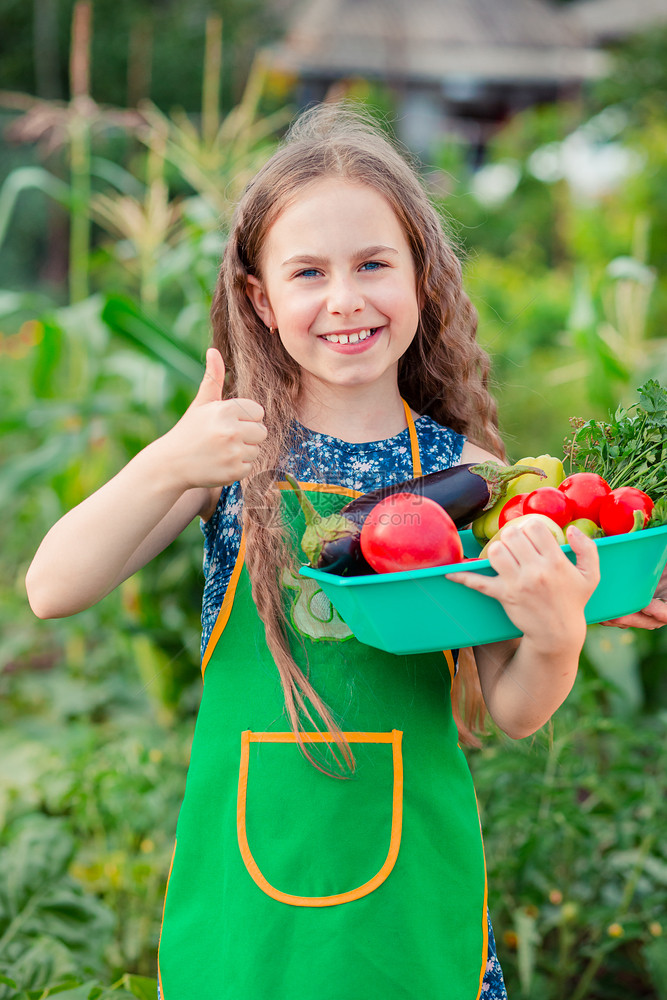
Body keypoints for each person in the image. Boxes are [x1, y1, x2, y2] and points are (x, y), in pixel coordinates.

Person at [25, 103, 667, 1000]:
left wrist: (555, 634)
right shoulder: (230, 455)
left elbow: (515, 709)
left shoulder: (472, 476)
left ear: (422, 277)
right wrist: (169, 459)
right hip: (251, 908)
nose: (345, 298)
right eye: (307, 272)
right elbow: (52, 587)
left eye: (373, 264)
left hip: (412, 900)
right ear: (260, 296)